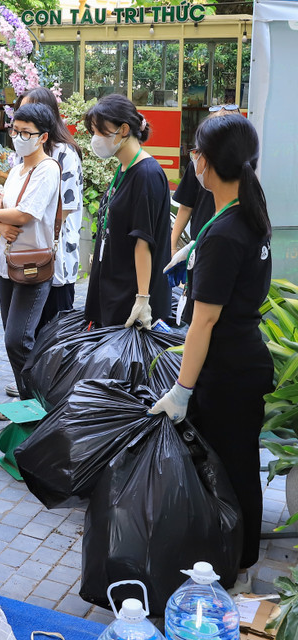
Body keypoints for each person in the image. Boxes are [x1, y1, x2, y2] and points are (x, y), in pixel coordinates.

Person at [150, 114, 272, 591]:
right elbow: (218, 240)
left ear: (208, 161)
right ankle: (234, 553)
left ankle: (237, 562)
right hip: (243, 359)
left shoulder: (225, 232)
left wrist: (182, 389)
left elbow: (203, 321)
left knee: (233, 466)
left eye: (195, 152)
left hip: (227, 371)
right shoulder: (242, 213)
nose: (190, 160)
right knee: (237, 460)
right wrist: (193, 250)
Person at [0, 103, 61, 408]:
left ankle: (38, 403)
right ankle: (27, 403)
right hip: (5, 263)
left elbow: (24, 214)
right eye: (15, 130)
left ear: (43, 136)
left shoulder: (48, 168)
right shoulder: (17, 168)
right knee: (13, 338)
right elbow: (4, 213)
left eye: (26, 132)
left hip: (33, 264)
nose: (18, 137)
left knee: (17, 340)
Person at [83, 94, 171, 328]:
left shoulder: (146, 174)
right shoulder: (124, 167)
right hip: (112, 289)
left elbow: (143, 241)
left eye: (99, 131)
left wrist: (142, 299)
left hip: (130, 298)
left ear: (123, 129)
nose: (95, 139)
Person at [16, 87, 84, 334]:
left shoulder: (64, 154)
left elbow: (66, 208)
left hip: (55, 260)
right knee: (25, 335)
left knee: (53, 337)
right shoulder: (22, 152)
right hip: (24, 256)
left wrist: (20, 219)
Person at [169, 104, 241, 322]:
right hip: (199, 244)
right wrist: (172, 246)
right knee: (198, 305)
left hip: (222, 245)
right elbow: (185, 206)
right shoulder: (198, 164)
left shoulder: (243, 168)